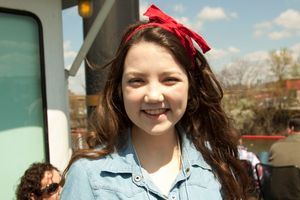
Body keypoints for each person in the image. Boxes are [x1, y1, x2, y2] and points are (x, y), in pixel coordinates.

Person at [61, 4, 249, 200]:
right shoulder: (87, 174)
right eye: (137, 81)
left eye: (169, 79)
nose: (153, 95)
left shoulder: (218, 165)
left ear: (191, 87)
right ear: (119, 89)